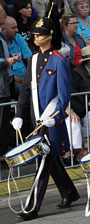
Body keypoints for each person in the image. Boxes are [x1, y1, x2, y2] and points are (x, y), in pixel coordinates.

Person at [12, 17, 80, 221]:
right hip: (36, 120)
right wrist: (18, 116)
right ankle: (69, 192)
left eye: (40, 34)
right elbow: (25, 91)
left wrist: (56, 116)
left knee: (42, 162)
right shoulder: (32, 60)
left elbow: (63, 94)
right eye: (34, 34)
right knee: (49, 159)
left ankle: (32, 206)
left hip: (51, 121)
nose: (36, 37)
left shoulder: (59, 59)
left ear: (50, 35)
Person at [64, 44, 90, 164]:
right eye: (66, 57)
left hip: (83, 106)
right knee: (74, 123)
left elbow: (84, 89)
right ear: (89, 61)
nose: (69, 58)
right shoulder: (77, 71)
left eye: (69, 56)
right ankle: (71, 154)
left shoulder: (74, 72)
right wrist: (69, 110)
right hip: (67, 109)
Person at [0, 1, 16, 162]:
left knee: (4, 121)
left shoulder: (1, 35)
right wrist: (5, 61)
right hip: (0, 86)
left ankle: (3, 150)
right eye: (1, 12)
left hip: (5, 83)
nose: (4, 14)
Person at [1, 16, 32, 99]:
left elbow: (30, 59)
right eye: (13, 28)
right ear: (4, 29)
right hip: (9, 83)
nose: (17, 30)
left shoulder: (18, 37)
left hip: (25, 80)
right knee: (21, 89)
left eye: (17, 27)